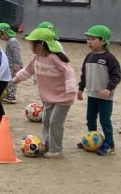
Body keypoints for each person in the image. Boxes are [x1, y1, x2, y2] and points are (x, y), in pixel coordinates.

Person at [12, 28, 76, 158]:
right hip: (48, 98)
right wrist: (16, 79)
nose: (30, 46)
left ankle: (56, 150)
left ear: (40, 45)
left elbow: (68, 72)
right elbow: (28, 70)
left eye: (32, 44)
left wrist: (71, 89)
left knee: (55, 123)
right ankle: (48, 145)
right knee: (46, 120)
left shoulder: (54, 58)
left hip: (63, 98)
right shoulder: (36, 58)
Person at [76, 25, 121, 155]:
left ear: (103, 41)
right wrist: (80, 88)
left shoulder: (109, 58)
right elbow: (84, 74)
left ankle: (109, 144)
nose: (89, 42)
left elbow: (116, 76)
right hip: (91, 95)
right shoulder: (88, 57)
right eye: (88, 39)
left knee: (105, 120)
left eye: (93, 39)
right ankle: (91, 140)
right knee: (90, 118)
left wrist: (109, 88)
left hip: (105, 97)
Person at [0, 23, 23, 104]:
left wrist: (17, 64)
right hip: (10, 65)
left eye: (0, 35)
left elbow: (16, 53)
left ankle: (11, 96)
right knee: (8, 80)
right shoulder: (10, 41)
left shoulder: (12, 41)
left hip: (14, 65)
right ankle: (9, 94)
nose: (0, 38)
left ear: (4, 33)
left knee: (11, 81)